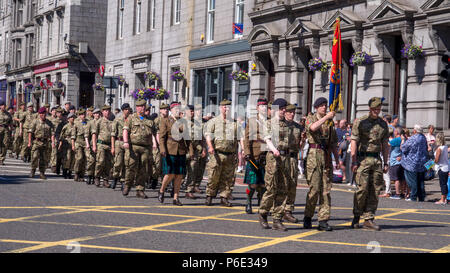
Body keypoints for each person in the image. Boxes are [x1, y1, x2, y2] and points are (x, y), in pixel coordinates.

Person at [350, 97, 389, 231]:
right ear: (370, 108)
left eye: (378, 109)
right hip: (363, 160)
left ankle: (369, 219)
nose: (376, 111)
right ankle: (356, 216)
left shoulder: (383, 124)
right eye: (374, 109)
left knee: (375, 190)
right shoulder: (360, 122)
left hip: (377, 160)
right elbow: (354, 141)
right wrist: (354, 161)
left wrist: (386, 162)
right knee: (362, 190)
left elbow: (385, 144)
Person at [303, 97, 339, 231]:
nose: (324, 107)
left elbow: (333, 143)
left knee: (326, 190)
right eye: (321, 105)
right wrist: (326, 118)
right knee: (314, 190)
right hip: (314, 155)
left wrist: (337, 160)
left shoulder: (330, 123)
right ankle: (308, 216)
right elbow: (312, 128)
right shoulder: (310, 118)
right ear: (316, 107)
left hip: (326, 156)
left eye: (325, 105)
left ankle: (323, 220)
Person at [258, 98, 291, 231]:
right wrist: (274, 149)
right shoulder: (269, 123)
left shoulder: (287, 124)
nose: (284, 111)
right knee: (271, 188)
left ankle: (277, 219)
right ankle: (263, 213)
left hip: (285, 157)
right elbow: (267, 139)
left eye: (285, 109)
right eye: (282, 109)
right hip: (273, 157)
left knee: (283, 188)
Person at [205, 99, 241, 207]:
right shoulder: (213, 121)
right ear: (221, 108)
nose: (227, 109)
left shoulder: (235, 123)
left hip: (230, 154)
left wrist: (242, 150)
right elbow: (208, 136)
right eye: (225, 107)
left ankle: (224, 197)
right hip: (217, 154)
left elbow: (239, 138)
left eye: (229, 107)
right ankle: (209, 196)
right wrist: (210, 147)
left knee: (228, 178)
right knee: (213, 175)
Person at [122, 99, 156, 199]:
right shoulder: (131, 118)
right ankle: (127, 185)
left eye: (144, 106)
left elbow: (154, 133)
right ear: (137, 107)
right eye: (141, 106)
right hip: (134, 146)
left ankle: (140, 189)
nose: (143, 108)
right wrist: (125, 142)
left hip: (146, 148)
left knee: (143, 169)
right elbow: (125, 130)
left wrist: (155, 144)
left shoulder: (149, 120)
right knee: (131, 167)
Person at [158, 101, 189, 205]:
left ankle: (176, 197)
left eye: (179, 109)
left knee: (179, 175)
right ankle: (162, 190)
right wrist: (162, 149)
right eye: (176, 109)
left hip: (181, 150)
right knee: (170, 174)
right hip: (169, 149)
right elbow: (161, 137)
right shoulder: (165, 121)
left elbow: (187, 137)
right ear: (171, 110)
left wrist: (191, 151)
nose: (178, 111)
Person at [243, 98, 268, 214]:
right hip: (254, 155)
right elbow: (247, 138)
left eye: (265, 106)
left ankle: (262, 203)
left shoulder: (271, 121)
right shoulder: (252, 121)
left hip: (267, 156)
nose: (264, 108)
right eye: (261, 106)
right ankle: (248, 201)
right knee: (252, 183)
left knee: (264, 183)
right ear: (257, 108)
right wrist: (247, 153)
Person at [283, 103, 304, 223]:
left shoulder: (298, 127)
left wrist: (303, 140)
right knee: (282, 184)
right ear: (285, 112)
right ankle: (278, 209)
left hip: (293, 159)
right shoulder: (280, 125)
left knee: (292, 185)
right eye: (290, 112)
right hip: (282, 158)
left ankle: (288, 211)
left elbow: (299, 146)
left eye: (293, 112)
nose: (292, 114)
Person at [401, 124, 428, 202]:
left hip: (411, 164)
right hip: (422, 163)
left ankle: (413, 197)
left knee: (413, 182)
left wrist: (403, 140)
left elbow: (403, 149)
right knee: (420, 182)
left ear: (415, 130)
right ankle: (421, 197)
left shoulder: (413, 138)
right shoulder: (423, 138)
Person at [184, 104, 206, 200]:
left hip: (195, 150)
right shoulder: (181, 122)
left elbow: (201, 138)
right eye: (190, 111)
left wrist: (203, 148)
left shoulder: (197, 123)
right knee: (180, 172)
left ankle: (189, 190)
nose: (192, 113)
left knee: (193, 170)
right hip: (183, 150)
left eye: (193, 111)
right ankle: (174, 188)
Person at [28, 107, 55, 179]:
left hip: (45, 142)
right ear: (39, 114)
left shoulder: (49, 123)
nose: (43, 115)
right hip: (37, 142)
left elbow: (52, 133)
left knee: (44, 159)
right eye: (42, 114)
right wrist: (29, 142)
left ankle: (42, 173)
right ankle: (33, 170)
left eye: (44, 113)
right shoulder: (35, 122)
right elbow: (30, 132)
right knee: (34, 156)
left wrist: (53, 143)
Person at [92, 105, 114, 188]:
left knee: (108, 163)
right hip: (101, 144)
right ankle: (97, 177)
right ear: (102, 112)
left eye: (108, 110)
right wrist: (94, 145)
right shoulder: (99, 121)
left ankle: (105, 179)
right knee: (100, 161)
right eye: (105, 111)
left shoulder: (112, 122)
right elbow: (94, 134)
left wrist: (113, 147)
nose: (107, 112)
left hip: (109, 145)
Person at [111, 103, 131, 190]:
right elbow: (113, 134)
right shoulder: (118, 119)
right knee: (118, 162)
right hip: (119, 142)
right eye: (126, 109)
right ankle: (115, 177)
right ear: (123, 110)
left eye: (128, 109)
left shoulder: (131, 119)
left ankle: (123, 180)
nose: (128, 111)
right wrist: (112, 147)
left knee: (126, 163)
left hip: (127, 143)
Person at [150, 103, 169, 189]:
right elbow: (153, 133)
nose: (166, 110)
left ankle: (165, 183)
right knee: (157, 164)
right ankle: (154, 179)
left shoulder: (170, 120)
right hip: (158, 145)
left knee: (166, 164)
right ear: (160, 110)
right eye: (164, 109)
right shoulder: (157, 120)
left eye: (167, 109)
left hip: (168, 145)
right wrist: (154, 142)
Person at [389, 127, 407, 200]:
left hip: (395, 161)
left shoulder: (396, 139)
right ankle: (402, 193)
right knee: (402, 178)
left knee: (396, 179)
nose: (394, 132)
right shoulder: (404, 139)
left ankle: (397, 193)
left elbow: (387, 144)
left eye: (394, 131)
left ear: (397, 132)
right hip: (401, 161)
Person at [85, 108, 101, 185]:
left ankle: (96, 177)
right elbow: (86, 135)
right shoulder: (90, 123)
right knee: (91, 161)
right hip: (91, 144)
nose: (97, 115)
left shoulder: (101, 122)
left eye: (98, 113)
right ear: (93, 114)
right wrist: (87, 144)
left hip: (100, 144)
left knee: (99, 161)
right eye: (96, 113)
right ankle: (89, 175)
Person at [72, 109, 89, 182]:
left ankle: (82, 174)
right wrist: (73, 145)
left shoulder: (88, 122)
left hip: (85, 143)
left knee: (84, 159)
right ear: (79, 115)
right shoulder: (76, 123)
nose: (83, 116)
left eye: (84, 114)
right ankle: (76, 172)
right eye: (81, 114)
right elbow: (73, 135)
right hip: (78, 142)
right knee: (79, 158)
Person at [433, 133, 448, 205]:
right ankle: (444, 199)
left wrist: (431, 162)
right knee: (444, 184)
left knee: (442, 184)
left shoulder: (439, 149)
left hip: (441, 168)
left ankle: (442, 199)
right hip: (445, 167)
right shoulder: (445, 147)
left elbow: (437, 160)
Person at [59, 112, 76, 179]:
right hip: (67, 143)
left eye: (73, 117)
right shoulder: (66, 126)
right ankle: (65, 171)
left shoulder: (75, 126)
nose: (73, 119)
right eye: (71, 117)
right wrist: (60, 145)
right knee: (67, 158)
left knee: (73, 158)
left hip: (74, 143)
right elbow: (61, 136)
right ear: (68, 119)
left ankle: (70, 172)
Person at [0, 100, 12, 165]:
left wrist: (11, 128)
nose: (4, 106)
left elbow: (11, 121)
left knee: (5, 144)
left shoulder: (8, 114)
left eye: (4, 105)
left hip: (6, 130)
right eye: (2, 105)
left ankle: (2, 159)